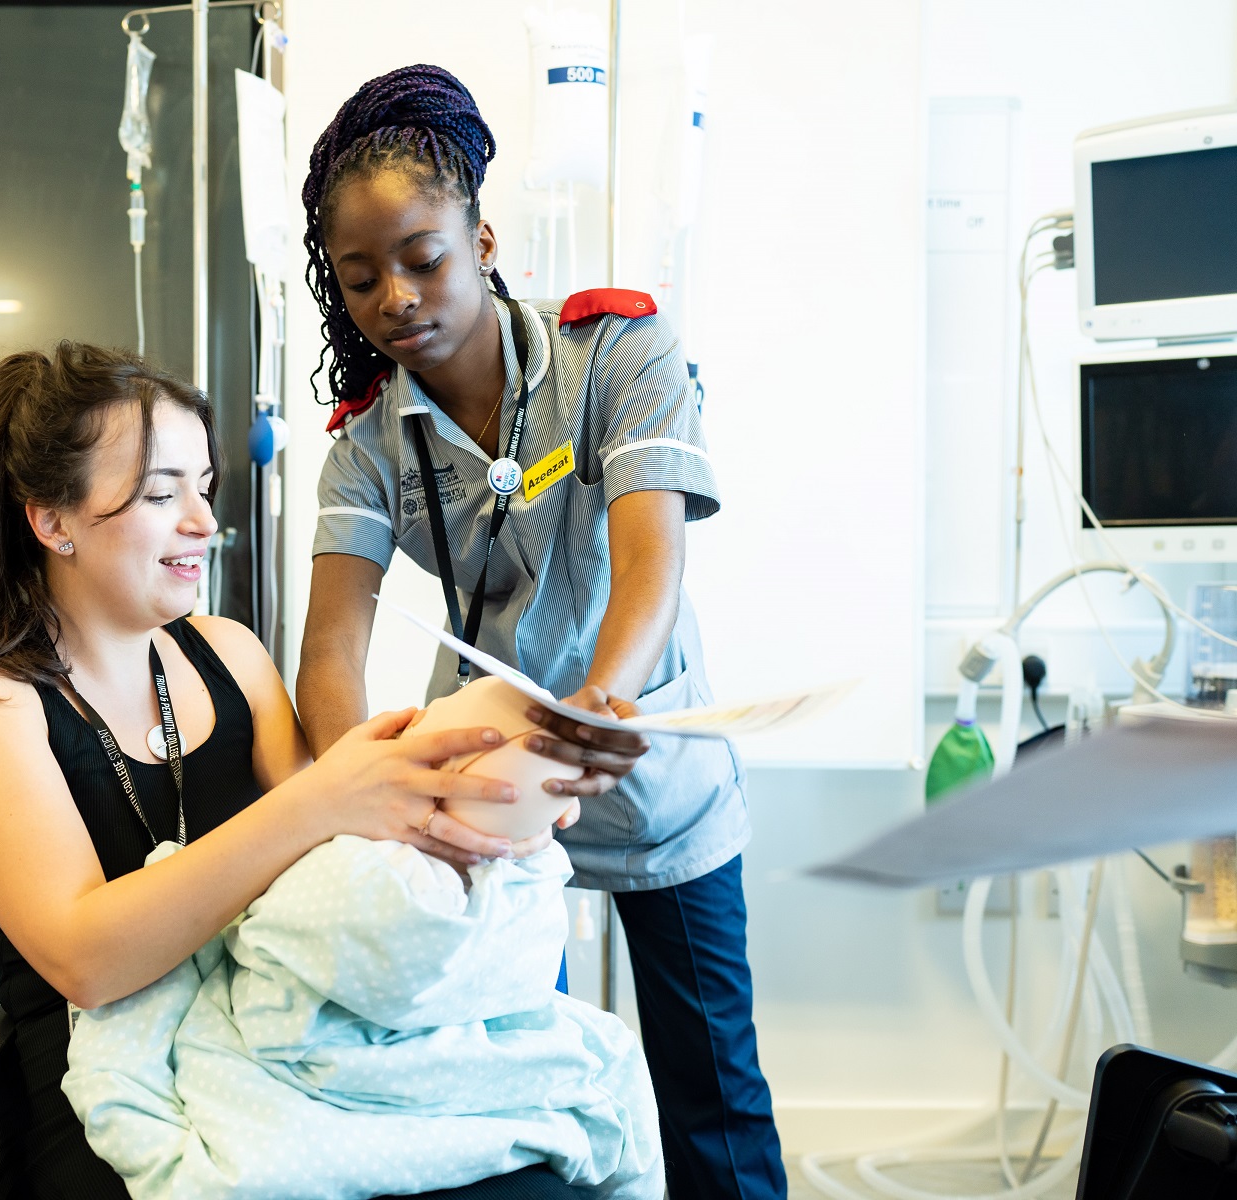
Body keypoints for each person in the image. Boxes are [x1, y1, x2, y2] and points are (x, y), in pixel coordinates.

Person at [0, 342, 589, 1200]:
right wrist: (317, 800)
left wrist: (494, 806)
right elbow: (87, 961)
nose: (200, 521)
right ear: (52, 520)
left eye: (202, 488)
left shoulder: (230, 653)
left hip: (268, 1042)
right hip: (96, 1080)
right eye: (160, 493)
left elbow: (337, 860)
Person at [293, 65, 788, 1200]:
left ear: (483, 235)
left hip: (648, 758)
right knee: (518, 1097)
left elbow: (651, 554)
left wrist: (603, 706)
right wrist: (356, 786)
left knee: (712, 1091)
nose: (396, 300)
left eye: (422, 258)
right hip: (493, 796)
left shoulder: (617, 355)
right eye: (361, 279)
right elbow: (332, 646)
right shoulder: (369, 444)